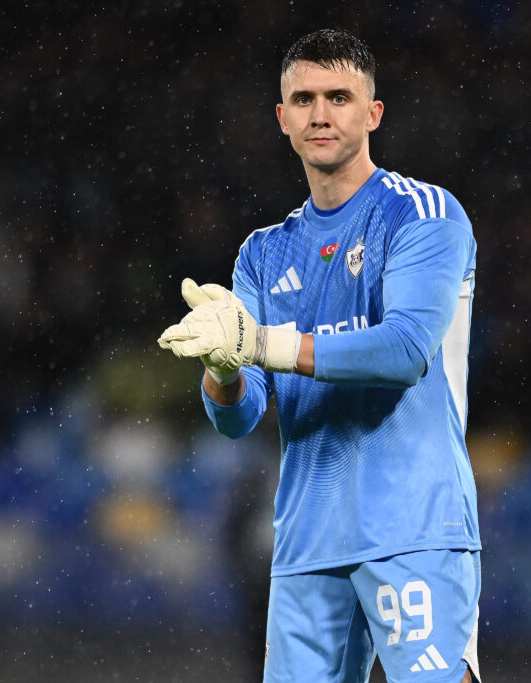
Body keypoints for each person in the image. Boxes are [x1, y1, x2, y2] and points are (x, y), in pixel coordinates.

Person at [158, 28, 480, 682]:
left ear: (373, 113)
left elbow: (404, 350)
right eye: (304, 99)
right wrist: (222, 366)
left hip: (414, 525)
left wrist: (262, 343)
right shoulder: (262, 253)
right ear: (282, 118)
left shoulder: (424, 214)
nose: (321, 114)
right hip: (306, 539)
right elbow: (238, 416)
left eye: (339, 97)